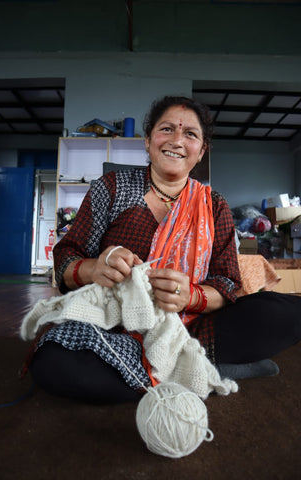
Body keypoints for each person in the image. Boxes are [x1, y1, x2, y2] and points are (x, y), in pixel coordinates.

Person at [28, 95, 301, 404]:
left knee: (284, 312)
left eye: (190, 134)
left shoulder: (213, 205)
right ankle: (197, 370)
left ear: (201, 151)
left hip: (190, 326)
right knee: (54, 361)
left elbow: (227, 284)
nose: (177, 140)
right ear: (148, 141)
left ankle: (158, 370)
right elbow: (67, 256)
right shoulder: (112, 187)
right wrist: (95, 268)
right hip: (115, 327)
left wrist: (190, 296)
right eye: (167, 129)